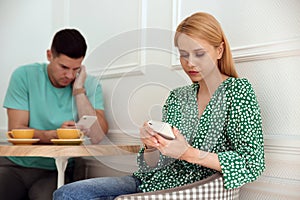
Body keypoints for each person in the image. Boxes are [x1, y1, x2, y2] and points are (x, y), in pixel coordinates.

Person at [53, 12, 265, 200]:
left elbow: (252, 162)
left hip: (188, 191)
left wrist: (187, 153)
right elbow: (151, 165)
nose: (189, 63)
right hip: (149, 183)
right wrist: (150, 146)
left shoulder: (237, 92)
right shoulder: (177, 97)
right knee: (67, 193)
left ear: (219, 51)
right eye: (183, 54)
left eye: (199, 54)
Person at [1, 28, 108, 200]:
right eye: (64, 67)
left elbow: (97, 136)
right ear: (50, 55)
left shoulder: (89, 84)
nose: (69, 75)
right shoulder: (24, 76)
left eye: (76, 69)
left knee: (47, 195)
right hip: (17, 164)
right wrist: (55, 135)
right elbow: (17, 129)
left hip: (58, 168)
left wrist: (79, 90)